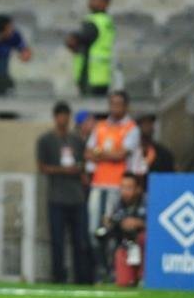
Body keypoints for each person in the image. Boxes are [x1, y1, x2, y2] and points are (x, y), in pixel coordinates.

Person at [85, 91, 140, 280]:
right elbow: (88, 153)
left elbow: (121, 155)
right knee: (93, 230)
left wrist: (100, 153)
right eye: (112, 103)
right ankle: (101, 268)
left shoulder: (131, 128)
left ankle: (112, 270)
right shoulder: (100, 126)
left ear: (126, 106)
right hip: (98, 184)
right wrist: (108, 154)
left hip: (118, 187)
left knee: (110, 229)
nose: (115, 107)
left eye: (119, 104)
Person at [37, 101, 91, 284]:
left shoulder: (76, 140)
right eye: (60, 116)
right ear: (55, 117)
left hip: (77, 197)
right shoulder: (46, 140)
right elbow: (42, 167)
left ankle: (82, 278)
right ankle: (58, 277)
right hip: (57, 198)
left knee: (80, 240)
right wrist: (63, 170)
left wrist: (79, 171)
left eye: (66, 116)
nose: (63, 119)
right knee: (57, 241)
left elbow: (83, 164)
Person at [66, 0, 115, 97]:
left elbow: (74, 40)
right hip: (103, 75)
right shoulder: (107, 21)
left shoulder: (94, 22)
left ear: (106, 3)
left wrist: (72, 41)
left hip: (90, 75)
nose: (92, 0)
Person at [101, 173, 147, 287]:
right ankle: (110, 274)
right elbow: (109, 222)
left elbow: (159, 226)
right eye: (123, 187)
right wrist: (110, 222)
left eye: (129, 187)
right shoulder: (117, 202)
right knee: (124, 283)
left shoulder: (147, 201)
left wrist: (139, 223)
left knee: (144, 237)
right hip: (126, 244)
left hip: (144, 247)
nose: (125, 191)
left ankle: (144, 277)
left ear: (138, 189)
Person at [131, 113, 175, 180]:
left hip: (157, 185)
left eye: (150, 124)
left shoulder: (163, 153)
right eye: (144, 124)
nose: (148, 127)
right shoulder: (129, 151)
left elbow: (170, 176)